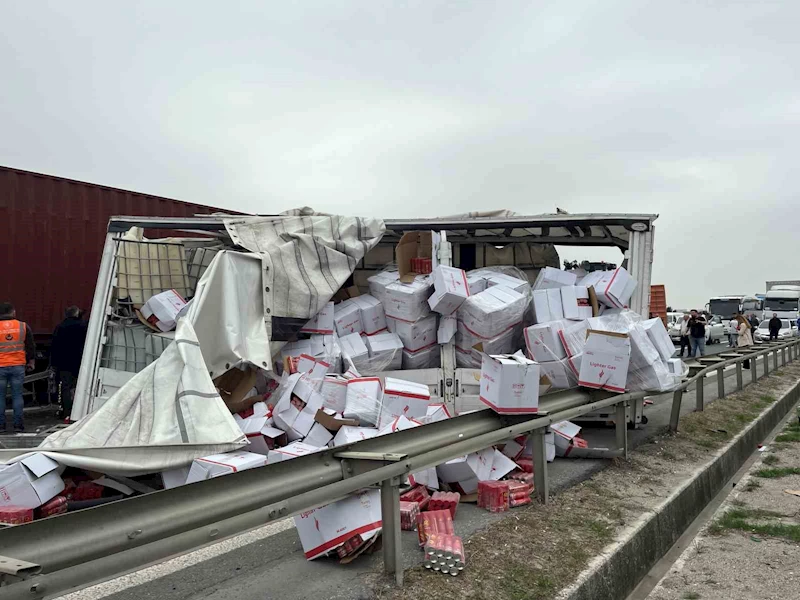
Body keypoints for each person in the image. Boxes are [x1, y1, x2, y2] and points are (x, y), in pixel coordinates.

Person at [0, 302, 36, 432]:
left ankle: (1, 426)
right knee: (17, 396)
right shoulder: (23, 326)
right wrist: (31, 361)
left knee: (0, 397)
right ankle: (18, 425)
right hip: (17, 366)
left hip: (0, 366)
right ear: (13, 312)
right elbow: (31, 346)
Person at [51, 306, 87, 420]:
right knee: (82, 386)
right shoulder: (84, 326)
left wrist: (54, 364)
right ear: (77, 314)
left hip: (64, 363)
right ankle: (82, 411)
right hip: (81, 361)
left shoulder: (60, 327)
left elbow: (54, 346)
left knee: (65, 387)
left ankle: (66, 411)